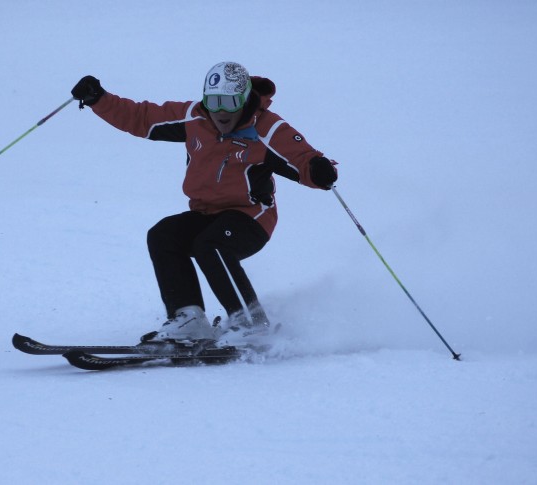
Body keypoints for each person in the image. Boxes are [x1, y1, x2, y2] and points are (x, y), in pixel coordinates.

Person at [71, 61, 337, 346]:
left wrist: (320, 170)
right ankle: (189, 319)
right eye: (214, 101)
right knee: (163, 234)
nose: (221, 111)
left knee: (210, 245)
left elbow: (303, 159)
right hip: (207, 213)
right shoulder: (194, 117)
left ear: (244, 99)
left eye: (230, 102)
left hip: (251, 218)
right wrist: (99, 100)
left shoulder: (267, 128)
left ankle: (251, 323)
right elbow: (140, 118)